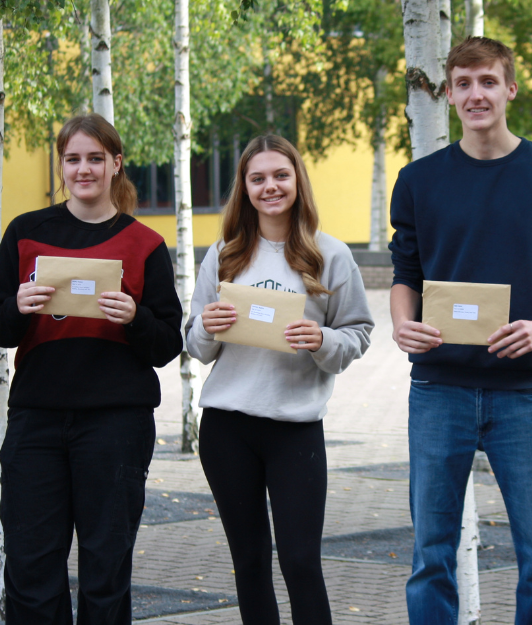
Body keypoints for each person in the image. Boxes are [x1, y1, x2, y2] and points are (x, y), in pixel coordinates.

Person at [388, 36, 532, 624]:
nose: (475, 94)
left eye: (487, 82)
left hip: (526, 393)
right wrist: (403, 326)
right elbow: (406, 275)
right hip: (438, 389)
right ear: (450, 94)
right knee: (430, 554)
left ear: (510, 87)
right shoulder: (418, 180)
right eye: (463, 83)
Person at [0, 114, 183, 624]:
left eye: (96, 158)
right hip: (36, 422)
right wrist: (18, 306)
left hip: (116, 424)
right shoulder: (27, 234)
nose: (84, 169)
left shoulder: (145, 245)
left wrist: (136, 318)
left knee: (105, 566)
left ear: (116, 164)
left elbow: (167, 344)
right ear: (62, 165)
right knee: (30, 566)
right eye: (73, 159)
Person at [185, 134, 373, 624]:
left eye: (280, 175)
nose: (271, 186)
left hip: (295, 429)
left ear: (297, 181)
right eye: (258, 178)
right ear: (244, 188)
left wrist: (322, 340)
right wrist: (207, 326)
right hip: (227, 428)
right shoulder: (224, 254)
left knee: (300, 561)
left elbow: (359, 332)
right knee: (249, 562)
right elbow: (196, 346)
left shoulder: (330, 255)